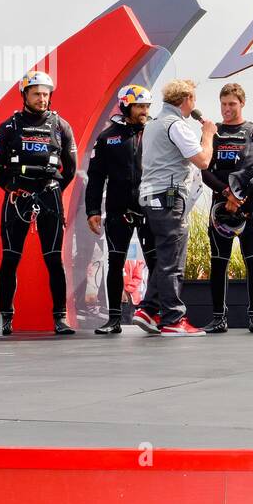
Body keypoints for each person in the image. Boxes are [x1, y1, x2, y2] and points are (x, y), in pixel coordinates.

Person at [0, 71, 79, 336]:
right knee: (9, 259)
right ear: (24, 95)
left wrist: (53, 190)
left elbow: (70, 168)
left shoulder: (61, 126)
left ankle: (60, 319)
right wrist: (11, 187)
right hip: (17, 196)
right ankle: (4, 319)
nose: (42, 98)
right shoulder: (8, 126)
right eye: (37, 93)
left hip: (49, 195)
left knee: (54, 261)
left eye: (46, 94)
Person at [133, 79, 216, 337]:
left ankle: (147, 309)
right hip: (169, 196)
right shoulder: (176, 125)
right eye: (193, 99)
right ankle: (173, 319)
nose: (194, 105)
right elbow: (202, 160)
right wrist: (208, 135)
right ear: (186, 100)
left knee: (165, 255)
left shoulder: (154, 124)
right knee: (173, 260)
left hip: (151, 196)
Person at [200, 82, 253, 334]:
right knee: (218, 262)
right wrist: (227, 192)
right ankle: (218, 317)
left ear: (242, 103)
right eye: (223, 104)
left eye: (232, 104)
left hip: (248, 207)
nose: (227, 109)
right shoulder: (214, 132)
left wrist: (240, 193)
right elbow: (204, 170)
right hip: (220, 207)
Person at [85, 84, 157, 335]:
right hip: (118, 209)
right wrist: (92, 209)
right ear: (126, 106)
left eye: (147, 106)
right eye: (139, 106)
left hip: (150, 209)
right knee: (114, 262)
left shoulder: (156, 131)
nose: (144, 111)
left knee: (156, 262)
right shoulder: (107, 137)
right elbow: (95, 177)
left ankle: (155, 314)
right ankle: (114, 319)